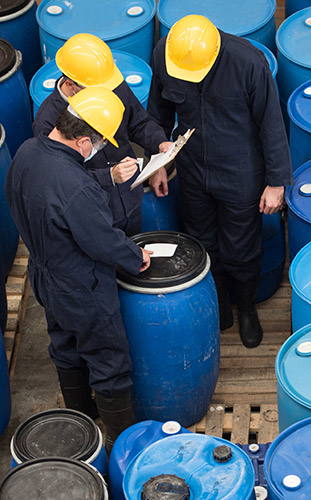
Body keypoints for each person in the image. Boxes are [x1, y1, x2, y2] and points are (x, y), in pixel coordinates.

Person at [5, 86, 153, 453]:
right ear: (84, 141)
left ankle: (82, 424)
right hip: (83, 286)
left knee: (66, 347)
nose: (102, 148)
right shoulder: (74, 186)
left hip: (45, 275)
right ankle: (122, 444)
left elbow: (38, 197)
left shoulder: (26, 152)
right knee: (109, 361)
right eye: (100, 141)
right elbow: (101, 238)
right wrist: (135, 256)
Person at [147, 15, 293, 348]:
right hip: (193, 167)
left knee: (241, 247)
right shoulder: (164, 55)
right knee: (201, 240)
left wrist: (276, 183)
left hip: (241, 170)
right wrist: (158, 163)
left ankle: (245, 310)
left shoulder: (248, 63)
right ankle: (218, 307)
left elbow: (271, 124)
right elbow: (157, 113)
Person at [33, 33, 173, 236]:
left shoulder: (109, 85)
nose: (105, 95)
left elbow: (139, 123)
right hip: (92, 215)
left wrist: (159, 145)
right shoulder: (47, 121)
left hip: (130, 198)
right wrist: (108, 176)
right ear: (71, 84)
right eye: (96, 90)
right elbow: (57, 179)